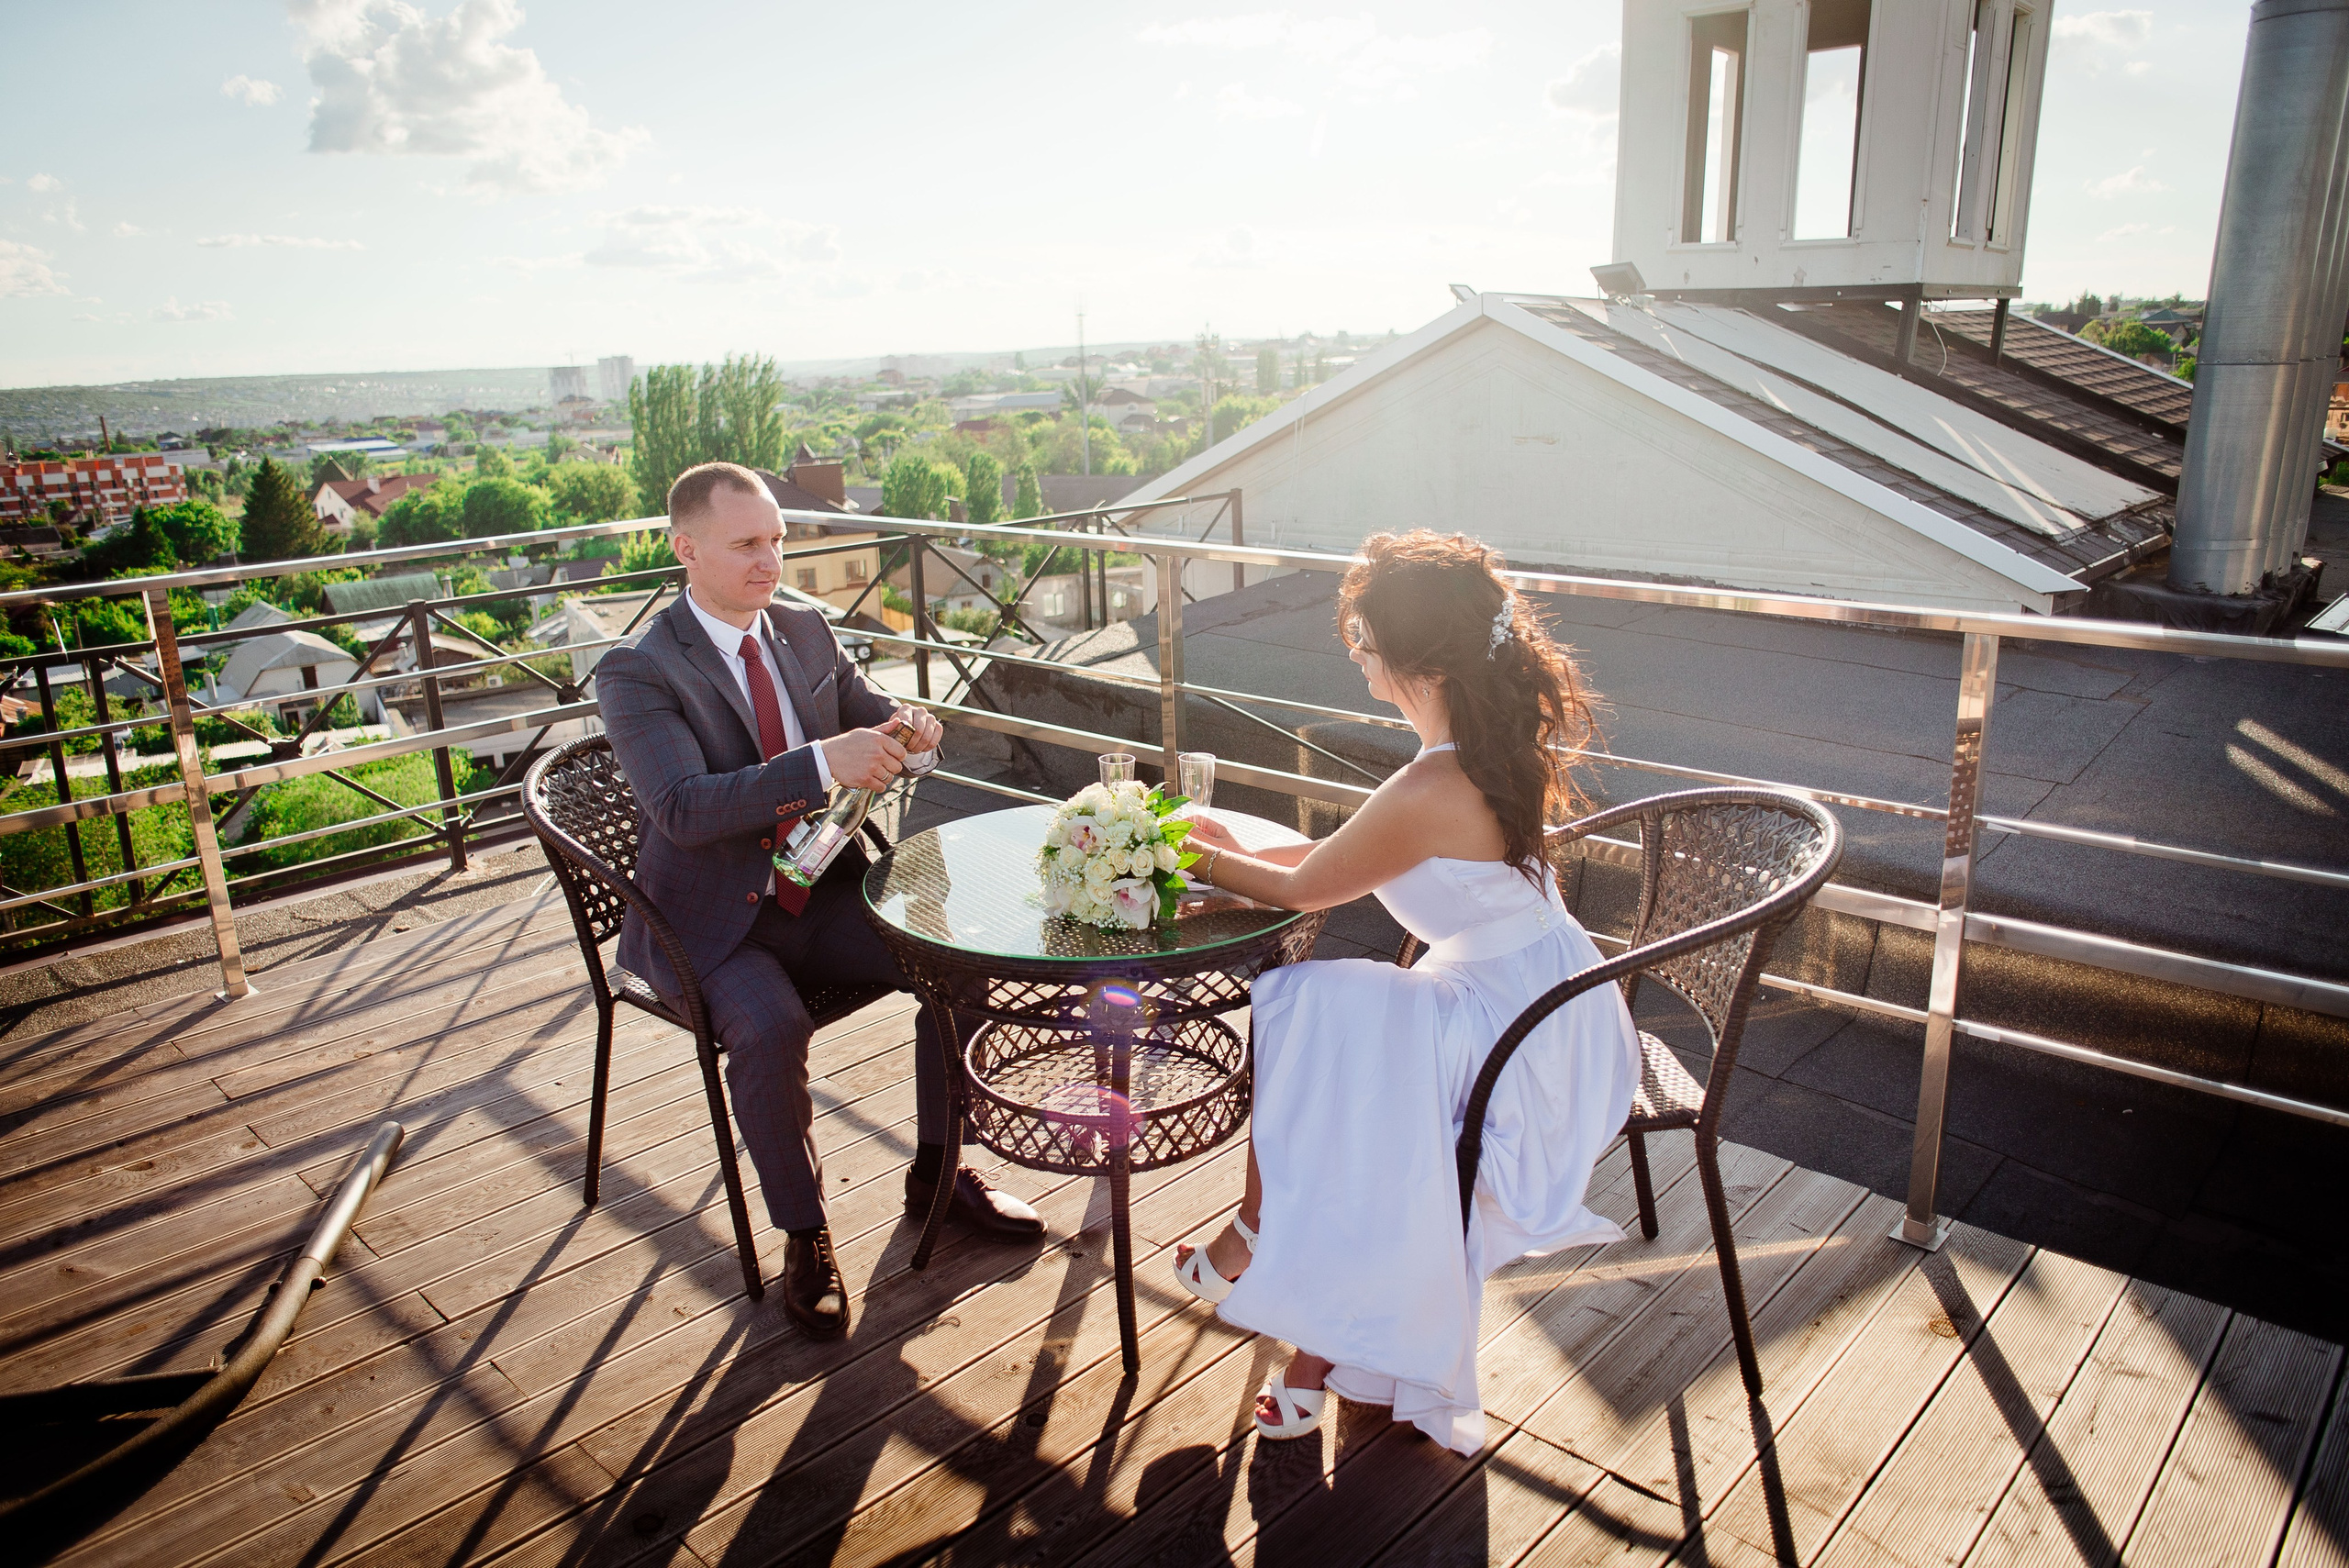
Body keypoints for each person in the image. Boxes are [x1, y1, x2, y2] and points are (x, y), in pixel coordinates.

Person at [1169, 529, 1638, 1453]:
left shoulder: (1435, 776)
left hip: (1527, 1035)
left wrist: (1184, 850)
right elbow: (1334, 858)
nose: (1355, 651)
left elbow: (1309, 888)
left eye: (1361, 633)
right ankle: (1311, 1345)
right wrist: (1223, 857)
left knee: (1311, 1013)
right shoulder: (1470, 746)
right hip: (1535, 992)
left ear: (1413, 653)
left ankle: (1262, 1229)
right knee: (1356, 1054)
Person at [596, 462, 1042, 1342]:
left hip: (820, 888)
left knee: (956, 965)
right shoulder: (639, 671)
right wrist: (817, 764)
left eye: (778, 540)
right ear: (686, 550)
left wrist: (912, 735)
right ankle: (806, 1236)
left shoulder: (802, 629)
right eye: (747, 544)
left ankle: (938, 1172)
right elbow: (683, 810)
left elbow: (874, 717)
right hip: (717, 923)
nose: (772, 562)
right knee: (770, 1029)